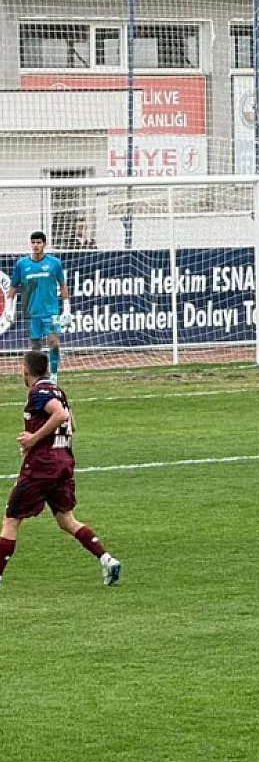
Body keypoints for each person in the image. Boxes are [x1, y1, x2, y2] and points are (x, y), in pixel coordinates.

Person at [0, 352, 121, 591]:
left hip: (41, 467)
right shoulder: (58, 391)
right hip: (63, 463)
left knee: (11, 520)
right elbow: (71, 425)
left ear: (27, 370)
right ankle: (107, 560)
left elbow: (61, 415)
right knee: (66, 520)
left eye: (22, 367)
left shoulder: (38, 392)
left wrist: (33, 439)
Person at [8, 231, 69, 381]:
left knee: (54, 343)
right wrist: (9, 308)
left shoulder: (54, 263)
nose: (35, 245)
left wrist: (66, 308)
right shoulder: (22, 265)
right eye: (33, 242)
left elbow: (62, 285)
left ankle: (54, 375)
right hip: (32, 312)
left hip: (51, 311)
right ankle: (39, 378)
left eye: (38, 242)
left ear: (44, 244)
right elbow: (14, 287)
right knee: (36, 348)